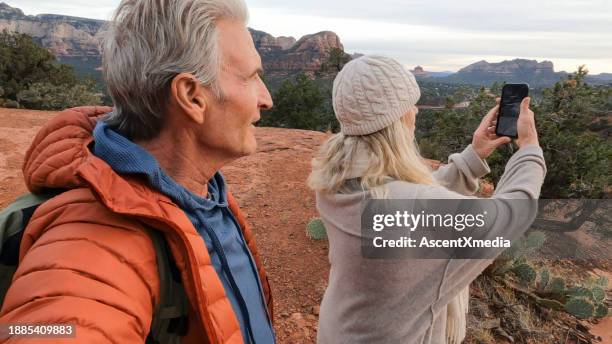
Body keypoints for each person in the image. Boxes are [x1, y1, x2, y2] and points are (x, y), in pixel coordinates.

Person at [0, 0, 276, 342]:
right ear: (191, 97)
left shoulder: (201, 191)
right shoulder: (95, 244)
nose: (266, 99)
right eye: (251, 77)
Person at [308, 55, 546, 344]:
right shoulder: (409, 206)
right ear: (396, 120)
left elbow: (405, 197)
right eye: (410, 105)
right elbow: (510, 216)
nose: (416, 112)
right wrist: (529, 149)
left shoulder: (335, 182)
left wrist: (473, 156)